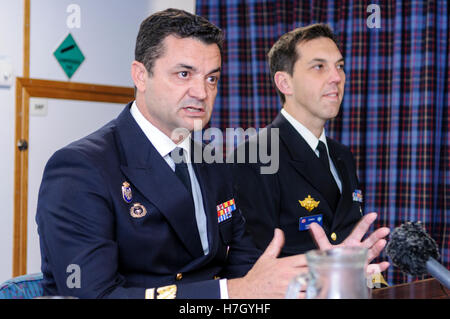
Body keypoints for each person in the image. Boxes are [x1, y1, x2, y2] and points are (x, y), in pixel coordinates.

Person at [36, 10, 387, 299]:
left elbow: (248, 271)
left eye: (212, 79)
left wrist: (321, 274)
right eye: (184, 74)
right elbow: (89, 296)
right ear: (140, 76)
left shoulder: (213, 163)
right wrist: (229, 294)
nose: (201, 92)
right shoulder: (81, 168)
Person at [232, 24, 390, 277]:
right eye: (319, 67)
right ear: (285, 82)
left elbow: (349, 242)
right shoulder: (256, 156)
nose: (336, 77)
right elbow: (251, 268)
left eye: (339, 66)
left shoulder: (342, 156)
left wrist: (372, 283)